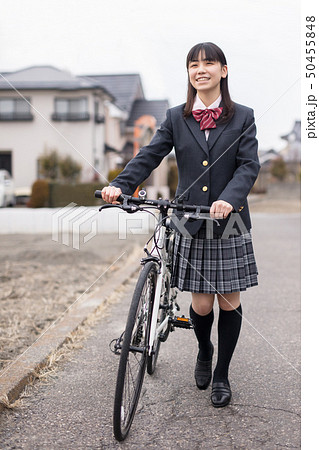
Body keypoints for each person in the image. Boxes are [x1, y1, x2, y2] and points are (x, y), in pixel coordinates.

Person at [101, 42, 260, 408]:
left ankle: (221, 374)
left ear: (223, 70)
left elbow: (249, 165)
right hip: (189, 220)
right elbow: (150, 154)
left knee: (228, 301)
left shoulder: (243, 116)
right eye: (193, 64)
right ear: (189, 73)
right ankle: (204, 349)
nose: (200, 69)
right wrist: (120, 185)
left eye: (208, 63)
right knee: (201, 305)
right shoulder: (176, 117)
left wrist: (229, 197)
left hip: (228, 219)